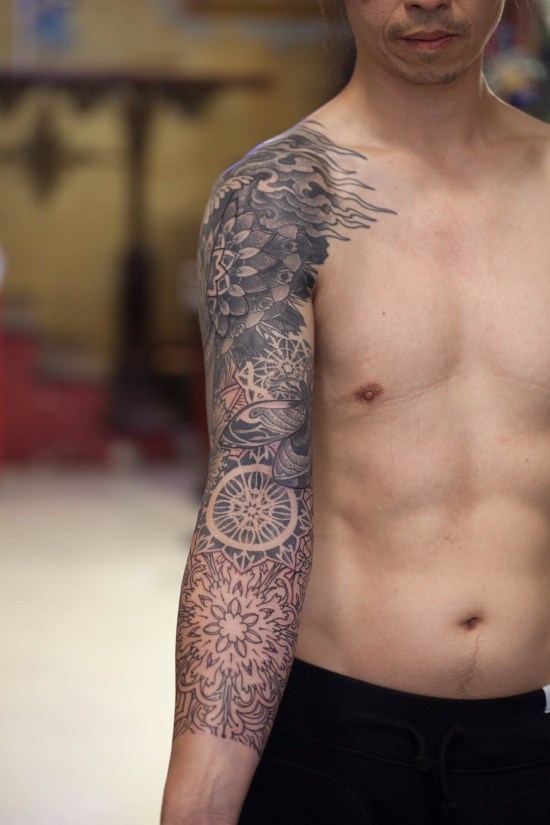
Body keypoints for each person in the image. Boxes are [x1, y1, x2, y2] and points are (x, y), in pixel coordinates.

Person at [161, 1, 550, 823]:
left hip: (530, 745)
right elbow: (251, 509)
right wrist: (197, 803)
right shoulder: (277, 199)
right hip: (333, 743)